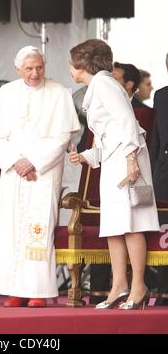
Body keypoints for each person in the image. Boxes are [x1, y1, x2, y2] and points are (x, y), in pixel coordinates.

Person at [0, 46, 79, 308]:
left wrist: (33, 161)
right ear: (18, 69)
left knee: (39, 230)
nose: (35, 73)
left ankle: (38, 290)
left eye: (39, 67)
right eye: (29, 69)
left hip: (42, 173)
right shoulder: (7, 93)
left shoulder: (59, 93)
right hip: (14, 172)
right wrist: (16, 161)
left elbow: (63, 137)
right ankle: (15, 289)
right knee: (12, 229)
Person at [69, 39, 159, 310]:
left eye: (72, 63)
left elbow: (126, 121)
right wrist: (86, 155)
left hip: (125, 160)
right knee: (114, 226)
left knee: (129, 223)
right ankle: (119, 284)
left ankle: (139, 285)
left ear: (83, 63)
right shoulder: (97, 86)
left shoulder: (105, 84)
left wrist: (131, 157)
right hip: (113, 159)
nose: (70, 70)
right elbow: (105, 134)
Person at [150, 53, 168, 305]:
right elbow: (156, 137)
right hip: (165, 172)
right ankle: (164, 289)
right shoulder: (161, 95)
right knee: (165, 230)